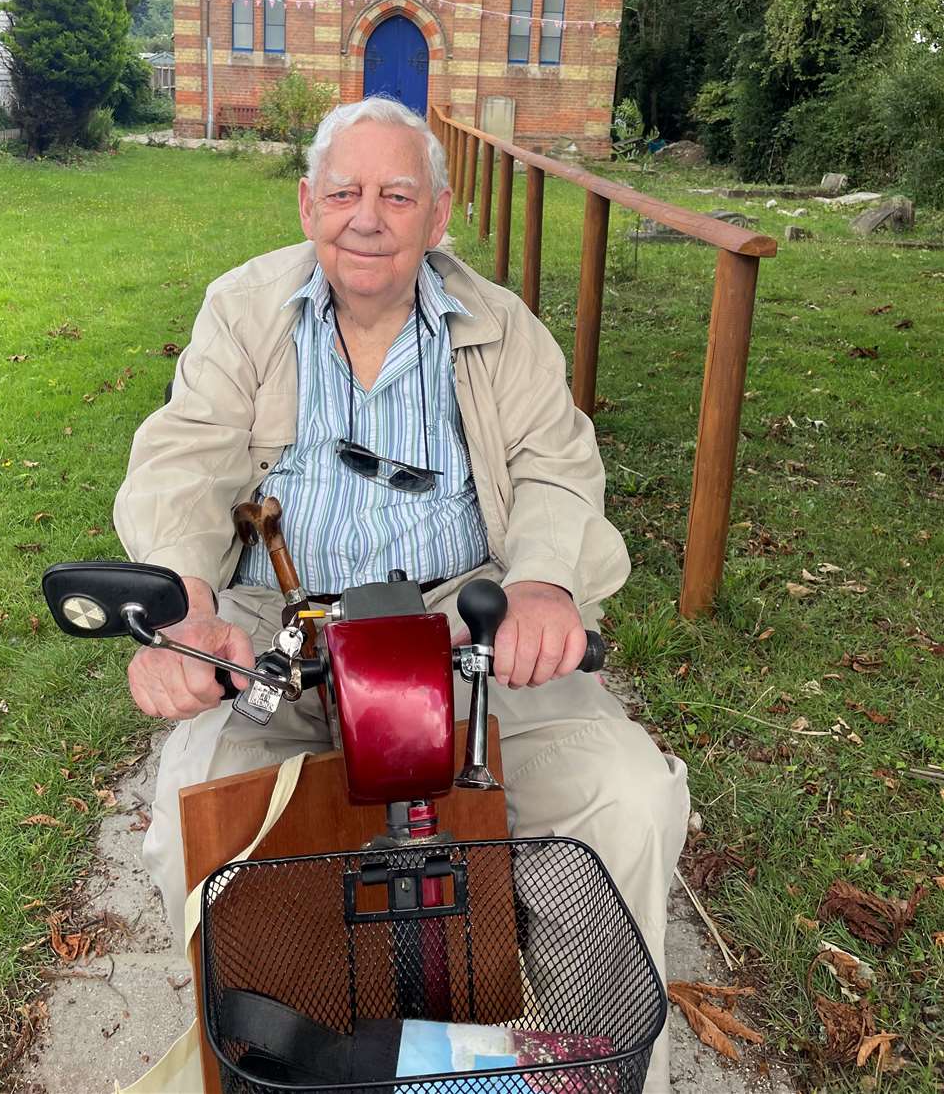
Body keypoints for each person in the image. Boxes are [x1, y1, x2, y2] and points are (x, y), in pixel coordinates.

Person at [113, 96, 689, 1093]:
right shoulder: (243, 310)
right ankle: (268, 1059)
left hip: (463, 626)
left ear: (437, 213)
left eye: (394, 193)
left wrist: (544, 586)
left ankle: (596, 1067)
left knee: (625, 797)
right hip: (283, 629)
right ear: (306, 205)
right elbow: (185, 460)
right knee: (190, 814)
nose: (365, 216)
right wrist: (187, 608)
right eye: (342, 191)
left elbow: (556, 464)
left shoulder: (502, 329)